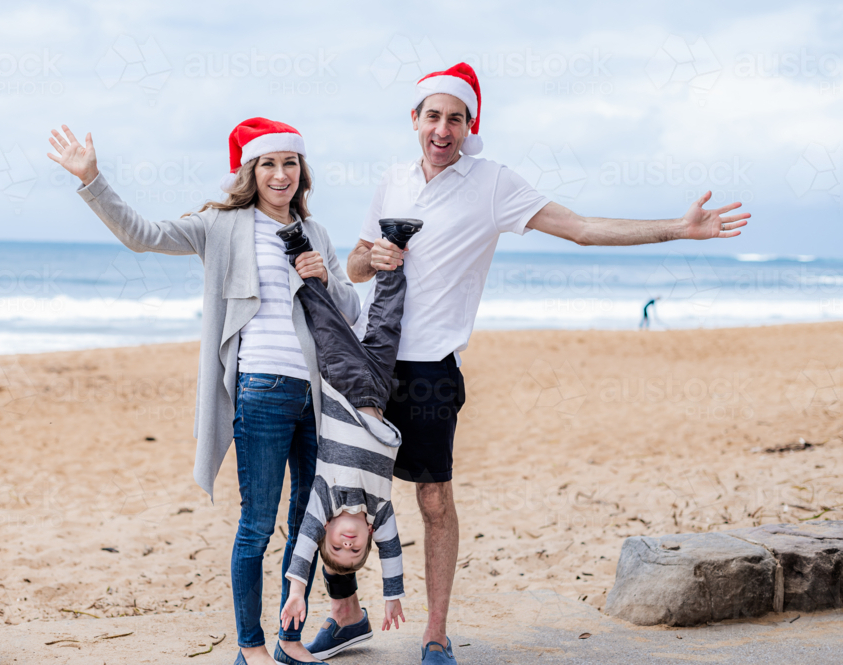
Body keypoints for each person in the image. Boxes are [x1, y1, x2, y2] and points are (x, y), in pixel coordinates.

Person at [313, 62, 751, 665]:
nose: (444, 128)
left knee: (433, 500)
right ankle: (346, 615)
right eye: (434, 116)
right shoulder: (391, 179)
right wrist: (375, 259)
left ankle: (435, 634)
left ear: (470, 126)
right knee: (342, 495)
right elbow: (355, 267)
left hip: (430, 369)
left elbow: (582, 229)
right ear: (414, 120)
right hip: (368, 360)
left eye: (456, 118)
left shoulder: (493, 184)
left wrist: (678, 228)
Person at [46, 118, 361, 665]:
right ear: (251, 170)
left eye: (290, 163)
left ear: (301, 171)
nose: (281, 175)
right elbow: (143, 236)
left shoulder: (318, 235)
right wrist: (93, 180)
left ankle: (290, 639)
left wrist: (326, 280)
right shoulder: (221, 225)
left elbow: (351, 314)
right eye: (268, 164)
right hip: (260, 393)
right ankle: (250, 645)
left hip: (316, 398)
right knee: (258, 523)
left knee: (306, 526)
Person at [274, 219, 424, 655]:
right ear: (366, 540)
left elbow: (303, 546)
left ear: (328, 530)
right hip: (377, 391)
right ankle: (395, 239)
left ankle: (297, 250)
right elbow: (392, 549)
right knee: (387, 320)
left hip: (342, 388)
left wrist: (298, 589)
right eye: (354, 552)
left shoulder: (325, 498)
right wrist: (392, 593)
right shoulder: (380, 511)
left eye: (336, 546)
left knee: (325, 321)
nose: (347, 543)